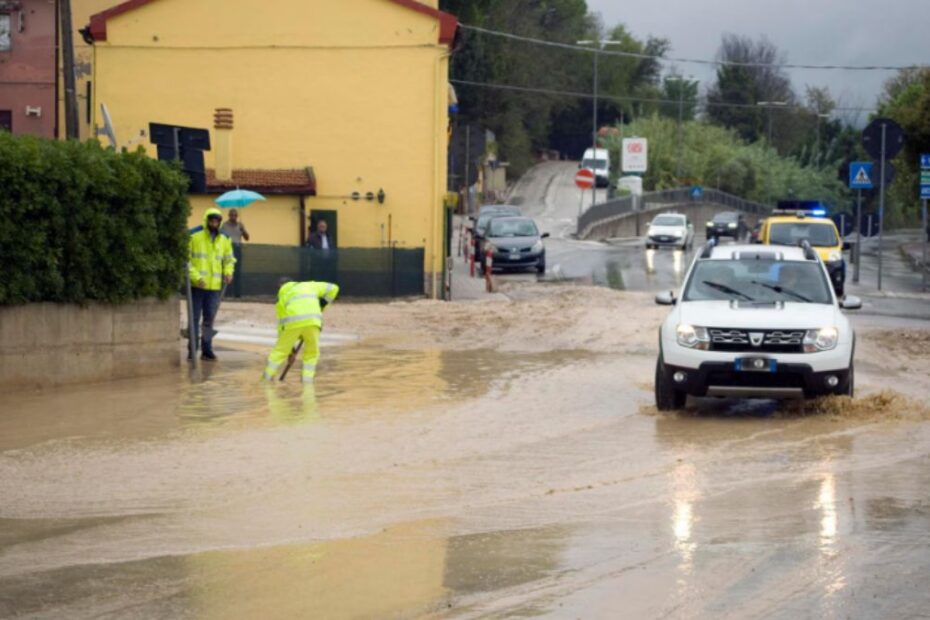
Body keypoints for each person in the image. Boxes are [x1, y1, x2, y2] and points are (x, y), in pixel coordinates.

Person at [262, 278, 339, 383]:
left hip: (292, 324)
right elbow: (334, 288)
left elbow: (282, 328)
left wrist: (290, 352)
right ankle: (307, 383)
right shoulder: (309, 285)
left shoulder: (282, 297)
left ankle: (266, 381)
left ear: (281, 287)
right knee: (311, 354)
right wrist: (323, 303)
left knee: (279, 352)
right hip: (313, 322)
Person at [189, 207, 235, 360]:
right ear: (206, 220)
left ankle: (206, 349)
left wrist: (228, 272)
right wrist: (196, 278)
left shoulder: (225, 239)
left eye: (217, 221)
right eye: (212, 220)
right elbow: (186, 261)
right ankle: (192, 349)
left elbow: (229, 259)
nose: (214, 223)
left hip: (215, 287)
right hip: (197, 286)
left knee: (209, 319)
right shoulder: (194, 236)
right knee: (194, 318)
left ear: (220, 222)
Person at [221, 208, 249, 297]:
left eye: (235, 215)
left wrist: (243, 230)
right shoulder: (224, 225)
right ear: (228, 215)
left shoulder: (240, 225)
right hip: (227, 248)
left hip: (237, 248)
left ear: (237, 216)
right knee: (227, 270)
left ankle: (237, 294)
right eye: (232, 215)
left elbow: (247, 238)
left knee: (237, 271)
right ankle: (227, 293)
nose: (233, 217)